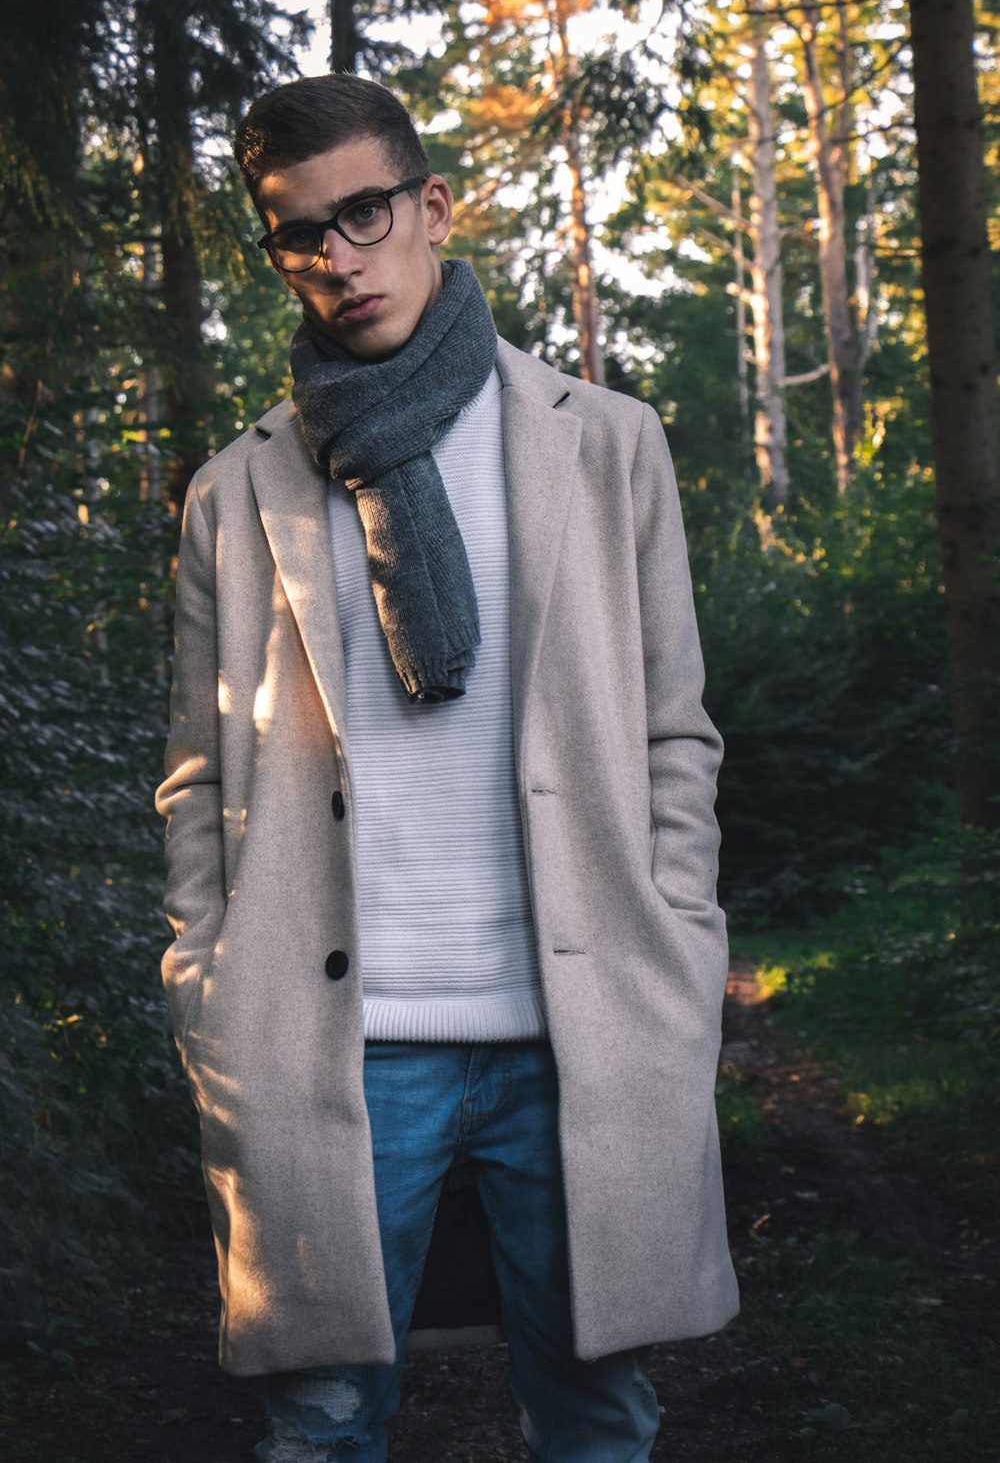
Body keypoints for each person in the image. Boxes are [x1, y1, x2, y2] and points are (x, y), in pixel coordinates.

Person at [156, 72, 738, 1463]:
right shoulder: (239, 490)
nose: (337, 257)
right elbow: (194, 772)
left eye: (366, 214)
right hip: (332, 1043)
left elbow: (675, 733)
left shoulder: (605, 446)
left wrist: (679, 928)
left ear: (433, 207)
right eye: (299, 231)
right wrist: (205, 969)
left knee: (597, 1417)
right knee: (325, 1426)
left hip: (579, 1025)